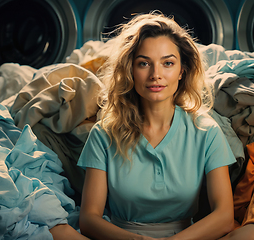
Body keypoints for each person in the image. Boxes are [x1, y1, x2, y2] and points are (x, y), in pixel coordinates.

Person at [77, 12, 237, 239]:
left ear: (182, 71)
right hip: (122, 237)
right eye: (144, 63)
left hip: (187, 237)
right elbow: (89, 220)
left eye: (168, 63)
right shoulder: (104, 134)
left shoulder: (206, 130)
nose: (155, 75)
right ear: (131, 70)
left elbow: (224, 217)